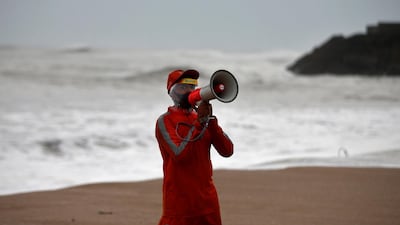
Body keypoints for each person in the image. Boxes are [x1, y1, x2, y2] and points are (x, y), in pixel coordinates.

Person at [155, 69, 234, 225]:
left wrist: (210, 121)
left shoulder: (202, 119)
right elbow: (180, 155)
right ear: (171, 92)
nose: (189, 91)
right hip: (179, 204)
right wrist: (198, 123)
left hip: (207, 202)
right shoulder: (164, 121)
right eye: (183, 87)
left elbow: (227, 150)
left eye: (192, 86)